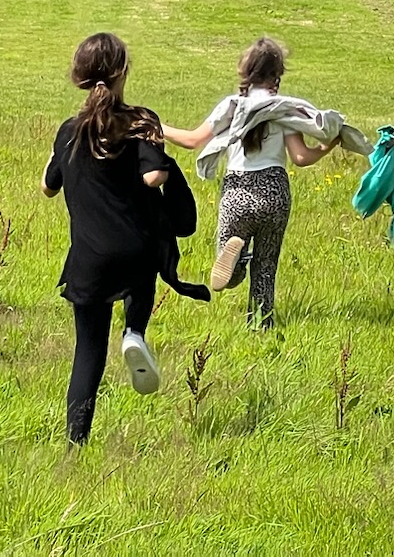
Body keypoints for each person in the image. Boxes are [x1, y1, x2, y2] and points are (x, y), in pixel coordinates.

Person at [41, 32, 184, 444]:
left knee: (87, 352)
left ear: (81, 78)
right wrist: (159, 154)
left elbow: (48, 186)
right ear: (123, 73)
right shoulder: (141, 122)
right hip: (135, 252)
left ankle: (76, 442)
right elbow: (153, 176)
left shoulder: (69, 131)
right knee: (142, 273)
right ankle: (134, 332)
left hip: (88, 261)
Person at [164, 37, 363, 327]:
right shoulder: (283, 109)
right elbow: (300, 158)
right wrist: (328, 145)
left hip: (237, 192)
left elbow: (192, 140)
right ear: (277, 74)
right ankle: (260, 325)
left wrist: (156, 125)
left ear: (245, 70)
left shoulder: (232, 105)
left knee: (228, 270)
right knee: (266, 267)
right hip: (274, 191)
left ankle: (235, 263)